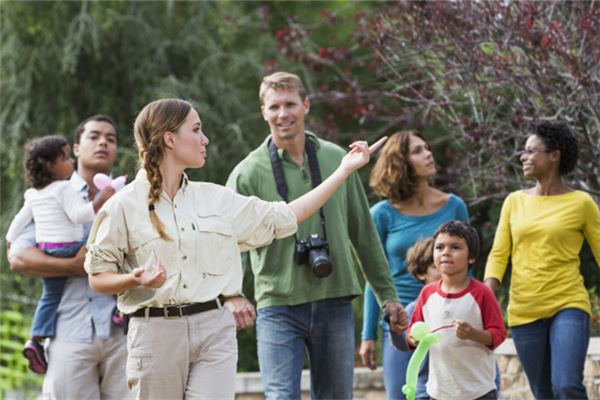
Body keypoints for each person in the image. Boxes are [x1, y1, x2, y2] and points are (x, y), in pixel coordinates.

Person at [83, 97, 384, 400]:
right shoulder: (123, 206)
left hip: (214, 328)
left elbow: (285, 216)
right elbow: (98, 277)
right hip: (156, 334)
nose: (205, 139)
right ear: (170, 139)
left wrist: (343, 171)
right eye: (197, 130)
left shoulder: (216, 199)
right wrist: (135, 279)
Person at [226, 71, 407, 399]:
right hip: (277, 304)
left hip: (334, 299)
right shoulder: (247, 173)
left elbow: (363, 234)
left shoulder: (338, 158)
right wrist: (231, 294)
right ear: (263, 112)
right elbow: (225, 242)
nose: (283, 114)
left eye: (291, 104)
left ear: (306, 105)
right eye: (274, 106)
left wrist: (388, 296)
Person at [7, 115, 128, 399]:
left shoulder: (128, 197)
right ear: (74, 150)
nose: (103, 143)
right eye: (94, 136)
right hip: (70, 329)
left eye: (111, 139)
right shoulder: (49, 195)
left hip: (123, 332)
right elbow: (19, 257)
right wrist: (74, 265)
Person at [485, 122, 600, 399]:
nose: (523, 157)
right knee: (543, 392)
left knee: (567, 385)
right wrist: (485, 295)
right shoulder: (514, 202)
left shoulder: (581, 203)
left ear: (554, 155)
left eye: (530, 151)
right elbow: (500, 253)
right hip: (524, 308)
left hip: (567, 302)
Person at [359, 130, 469, 399]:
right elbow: (374, 277)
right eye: (417, 151)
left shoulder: (454, 206)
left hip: (447, 320)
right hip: (401, 324)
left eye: (427, 147)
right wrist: (368, 335)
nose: (428, 153)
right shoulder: (381, 215)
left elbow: (469, 269)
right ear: (400, 163)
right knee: (402, 394)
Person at [408, 220, 507, 400]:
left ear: (471, 257)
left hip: (478, 391)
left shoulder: (482, 293)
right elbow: (413, 331)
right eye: (439, 247)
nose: (445, 252)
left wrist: (473, 334)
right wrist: (414, 337)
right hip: (438, 392)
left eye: (455, 247)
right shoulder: (427, 294)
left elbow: (498, 334)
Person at [388, 237, 439, 400]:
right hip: (426, 392)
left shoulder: (468, 303)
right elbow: (404, 344)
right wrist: (395, 331)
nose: (444, 270)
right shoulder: (414, 309)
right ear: (421, 273)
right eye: (435, 266)